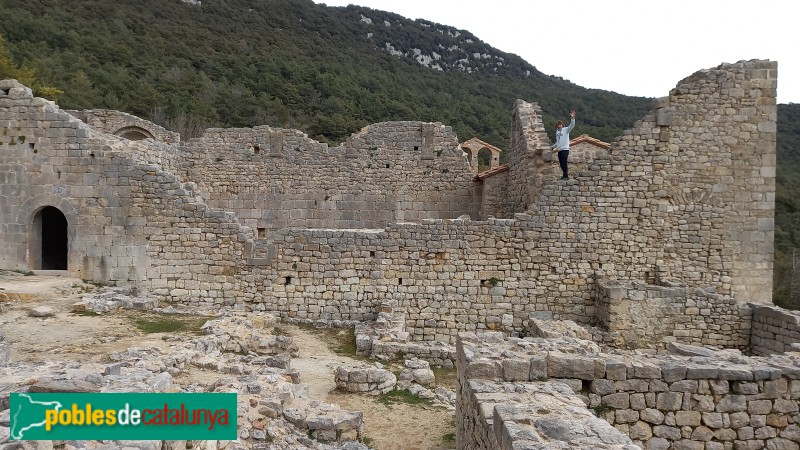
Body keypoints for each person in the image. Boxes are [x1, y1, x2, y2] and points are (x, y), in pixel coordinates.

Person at [551, 110, 576, 180]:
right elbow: (558, 142)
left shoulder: (566, 130)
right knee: (561, 163)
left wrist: (572, 118)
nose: (559, 126)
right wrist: (552, 147)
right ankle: (564, 175)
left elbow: (572, 126)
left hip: (565, 149)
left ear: (562, 125)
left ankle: (566, 175)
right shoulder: (557, 133)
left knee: (564, 162)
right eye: (557, 125)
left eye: (560, 125)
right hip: (559, 150)